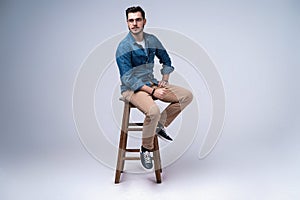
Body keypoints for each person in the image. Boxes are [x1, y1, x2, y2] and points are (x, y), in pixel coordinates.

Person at [116, 6, 193, 170]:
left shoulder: (152, 40)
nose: (135, 23)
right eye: (131, 20)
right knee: (153, 111)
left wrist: (165, 78)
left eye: (138, 19)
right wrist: (153, 91)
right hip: (132, 89)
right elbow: (127, 78)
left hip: (151, 82)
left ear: (144, 21)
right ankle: (146, 148)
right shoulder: (123, 47)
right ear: (127, 23)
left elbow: (166, 59)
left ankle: (159, 125)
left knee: (186, 96)